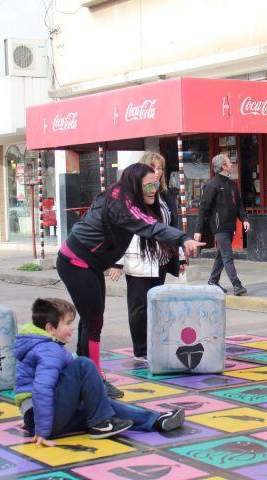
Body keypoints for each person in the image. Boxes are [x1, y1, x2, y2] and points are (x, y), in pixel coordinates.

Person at [56, 163, 204, 397]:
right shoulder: (122, 203)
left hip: (89, 263)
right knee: (94, 321)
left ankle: (83, 370)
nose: (153, 190)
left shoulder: (125, 196)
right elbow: (151, 227)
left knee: (91, 318)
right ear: (135, 185)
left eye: (156, 184)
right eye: (148, 186)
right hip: (76, 261)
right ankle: (93, 379)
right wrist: (183, 238)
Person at [14, 297, 185, 446]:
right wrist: (41, 429)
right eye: (67, 323)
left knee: (99, 404)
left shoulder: (43, 344)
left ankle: (156, 421)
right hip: (42, 420)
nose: (72, 328)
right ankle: (101, 423)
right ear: (50, 328)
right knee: (83, 364)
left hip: (44, 415)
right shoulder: (48, 349)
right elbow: (42, 388)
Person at [110, 152, 185, 361]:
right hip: (138, 258)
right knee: (139, 307)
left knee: (156, 303)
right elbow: (121, 230)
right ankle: (141, 350)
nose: (158, 172)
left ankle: (156, 343)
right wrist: (117, 262)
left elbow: (172, 226)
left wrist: (180, 256)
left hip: (160, 257)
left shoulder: (165, 196)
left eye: (160, 168)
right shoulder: (131, 197)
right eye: (153, 168)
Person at [194, 153, 250, 296]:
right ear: (223, 166)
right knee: (227, 255)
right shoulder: (211, 185)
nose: (231, 164)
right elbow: (203, 208)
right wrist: (198, 230)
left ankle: (213, 280)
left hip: (230, 225)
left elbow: (238, 204)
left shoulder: (232, 184)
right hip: (219, 227)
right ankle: (237, 285)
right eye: (229, 162)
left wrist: (244, 219)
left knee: (221, 255)